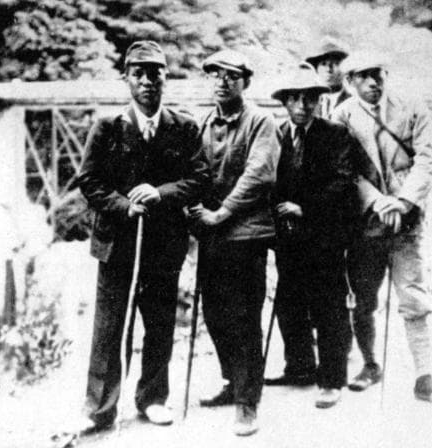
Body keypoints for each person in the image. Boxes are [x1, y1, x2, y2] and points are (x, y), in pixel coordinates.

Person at [77, 40, 210, 433]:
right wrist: (124, 206)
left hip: (164, 243)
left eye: (156, 73)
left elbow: (199, 178)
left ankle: (152, 398)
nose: (148, 81)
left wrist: (160, 193)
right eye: (139, 73)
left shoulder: (183, 127)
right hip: (116, 243)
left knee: (159, 322)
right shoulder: (107, 127)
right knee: (109, 327)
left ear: (166, 78)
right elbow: (89, 180)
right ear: (127, 78)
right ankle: (100, 408)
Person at [332, 50, 432, 406]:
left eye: (379, 74)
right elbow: (345, 170)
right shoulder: (342, 116)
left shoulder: (412, 106)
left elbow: (428, 158)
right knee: (363, 299)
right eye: (364, 76)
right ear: (349, 81)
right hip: (365, 223)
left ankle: (425, 378)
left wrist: (402, 201)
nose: (374, 82)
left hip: (407, 220)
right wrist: (377, 201)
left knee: (413, 297)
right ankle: (370, 364)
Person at [189, 49, 280, 436]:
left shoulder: (261, 121)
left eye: (231, 75)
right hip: (211, 234)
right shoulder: (203, 122)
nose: (222, 82)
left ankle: (247, 402)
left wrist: (222, 212)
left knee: (244, 319)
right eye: (215, 74)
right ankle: (232, 381)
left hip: (246, 234)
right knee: (215, 315)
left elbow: (259, 174)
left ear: (246, 81)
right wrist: (195, 211)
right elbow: (193, 171)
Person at [264, 64, 357, 408]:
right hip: (287, 238)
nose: (302, 105)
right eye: (295, 99)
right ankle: (299, 367)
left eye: (310, 99)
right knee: (289, 303)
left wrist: (304, 207)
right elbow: (266, 179)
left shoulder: (335, 134)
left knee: (328, 306)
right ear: (285, 102)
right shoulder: (275, 135)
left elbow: (343, 181)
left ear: (319, 101)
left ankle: (331, 380)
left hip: (324, 235)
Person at [305, 40, 350, 118]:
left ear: (344, 69)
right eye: (323, 64)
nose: (328, 69)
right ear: (317, 69)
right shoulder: (305, 100)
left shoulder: (352, 101)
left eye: (335, 64)